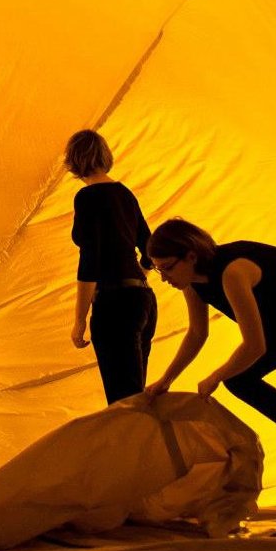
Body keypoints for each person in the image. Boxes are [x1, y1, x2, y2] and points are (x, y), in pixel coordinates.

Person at [143, 219, 276, 538]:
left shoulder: (233, 272)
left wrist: (215, 375)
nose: (165, 278)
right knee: (243, 382)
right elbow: (198, 333)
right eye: (158, 270)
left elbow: (254, 346)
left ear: (190, 257)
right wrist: (165, 380)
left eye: (167, 268)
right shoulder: (192, 284)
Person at [64, 129, 157, 404]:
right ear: (105, 156)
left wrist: (80, 320)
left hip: (115, 306)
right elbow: (150, 248)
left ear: (74, 161)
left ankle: (141, 447)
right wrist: (137, 274)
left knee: (124, 405)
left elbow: (90, 260)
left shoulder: (87, 198)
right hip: (144, 301)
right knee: (135, 398)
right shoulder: (125, 194)